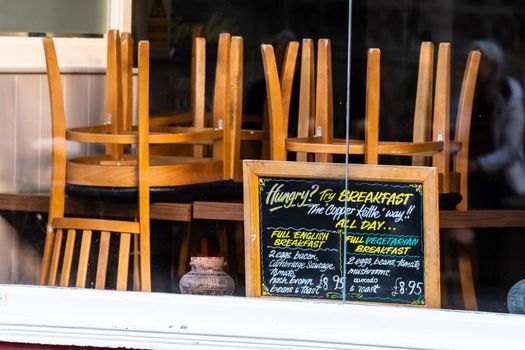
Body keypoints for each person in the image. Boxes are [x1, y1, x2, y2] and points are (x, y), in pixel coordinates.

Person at [468, 40, 525, 208]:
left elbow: (511, 148)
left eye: (479, 63)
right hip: (471, 173)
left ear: (493, 66)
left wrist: (479, 164)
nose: (474, 68)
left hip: (499, 179)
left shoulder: (509, 95)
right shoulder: (471, 93)